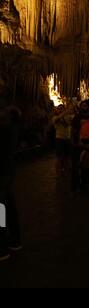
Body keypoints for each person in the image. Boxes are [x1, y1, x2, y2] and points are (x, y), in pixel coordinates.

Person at [0, 107, 22, 262]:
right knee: (8, 205)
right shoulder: (12, 128)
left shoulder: (5, 130)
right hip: (7, 170)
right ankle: (15, 240)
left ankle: (2, 247)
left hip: (2, 171)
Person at [52, 104, 74, 175]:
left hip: (67, 139)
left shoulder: (68, 117)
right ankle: (58, 171)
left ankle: (66, 170)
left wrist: (72, 109)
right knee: (59, 157)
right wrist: (66, 112)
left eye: (62, 108)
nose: (61, 109)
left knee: (67, 156)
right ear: (57, 110)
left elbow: (74, 117)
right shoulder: (55, 117)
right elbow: (57, 119)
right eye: (59, 108)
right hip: (59, 139)